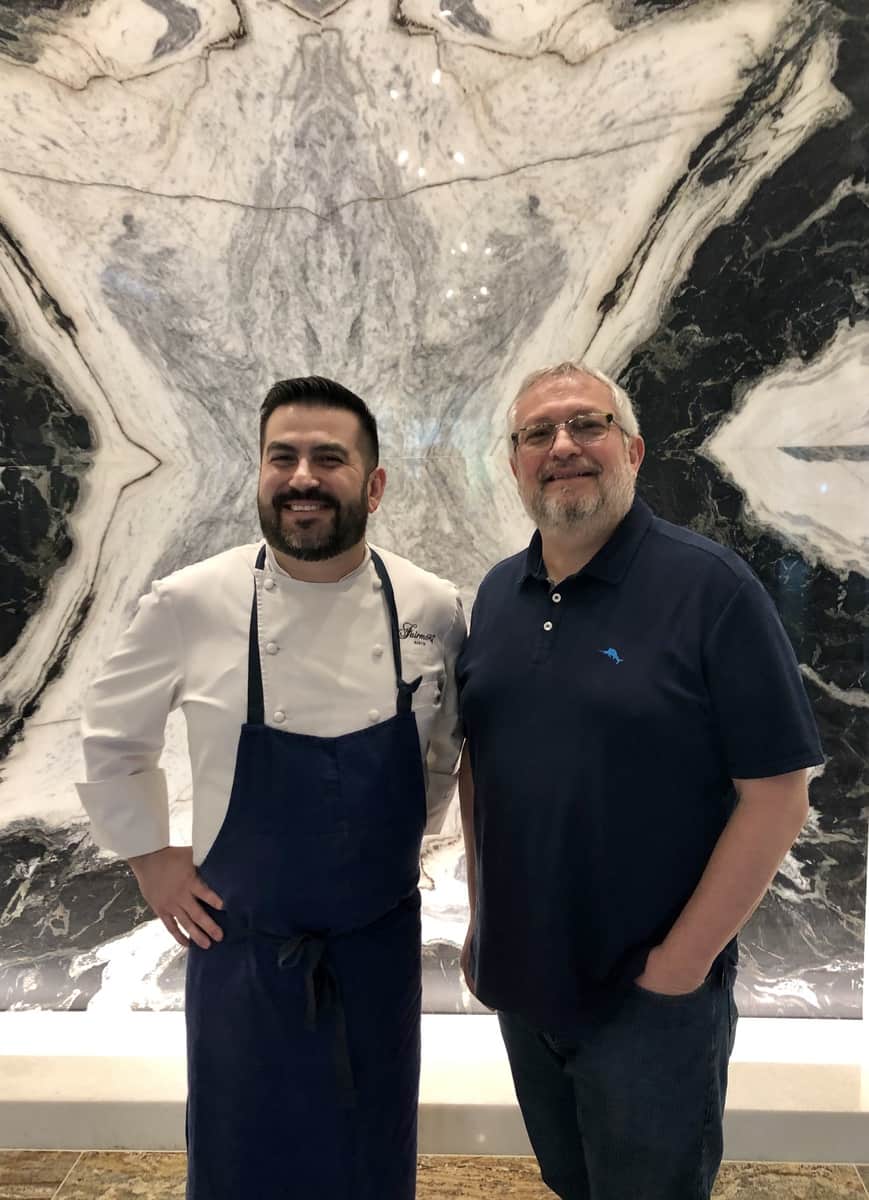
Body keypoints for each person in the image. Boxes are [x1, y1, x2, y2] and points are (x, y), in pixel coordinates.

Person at [77, 377, 465, 1200]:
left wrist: (400, 848)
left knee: (371, 1156)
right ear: (258, 474)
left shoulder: (432, 606)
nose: (302, 477)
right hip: (243, 954)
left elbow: (441, 751)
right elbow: (112, 735)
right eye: (281, 457)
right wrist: (150, 859)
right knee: (241, 1161)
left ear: (374, 484)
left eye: (329, 458)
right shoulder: (190, 601)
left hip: (376, 948)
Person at [456, 362, 823, 1200]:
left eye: (586, 424)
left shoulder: (711, 588)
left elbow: (777, 794)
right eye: (537, 434)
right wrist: (482, 918)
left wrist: (680, 967)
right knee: (570, 1180)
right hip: (523, 978)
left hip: (649, 998)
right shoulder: (498, 593)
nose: (562, 446)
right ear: (513, 465)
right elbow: (484, 765)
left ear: (631, 449)